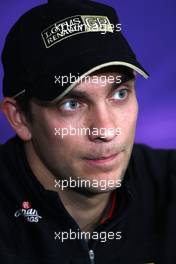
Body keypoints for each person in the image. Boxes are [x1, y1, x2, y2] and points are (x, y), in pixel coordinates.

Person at [0, 0, 175, 263]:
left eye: (119, 93)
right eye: (71, 104)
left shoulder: (169, 184)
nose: (105, 130)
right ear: (20, 118)